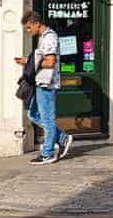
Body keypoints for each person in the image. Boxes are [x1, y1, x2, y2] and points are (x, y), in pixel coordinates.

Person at [17, 11, 73, 165]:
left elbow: (50, 62)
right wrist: (28, 61)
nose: (28, 31)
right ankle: (62, 138)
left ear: (36, 24)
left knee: (47, 119)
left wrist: (30, 63)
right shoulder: (43, 37)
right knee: (33, 114)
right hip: (40, 82)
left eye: (29, 27)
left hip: (47, 84)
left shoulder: (49, 37)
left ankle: (48, 153)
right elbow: (42, 60)